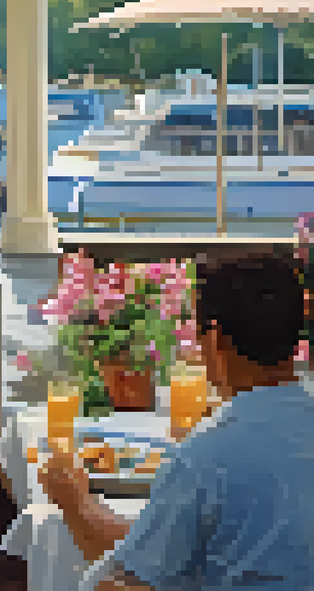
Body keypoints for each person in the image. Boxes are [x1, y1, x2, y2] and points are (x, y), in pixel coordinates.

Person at [40, 252, 314, 591]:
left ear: (213, 339)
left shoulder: (206, 457)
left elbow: (135, 580)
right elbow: (165, 546)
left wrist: (76, 507)